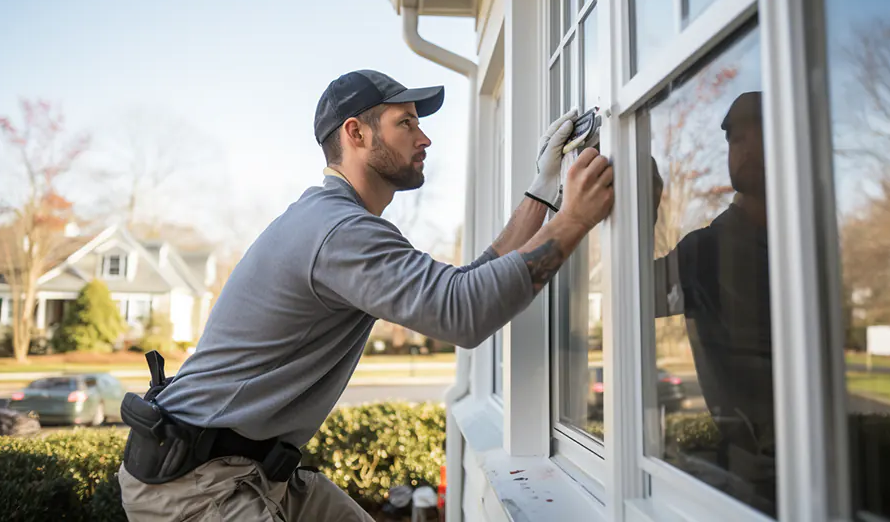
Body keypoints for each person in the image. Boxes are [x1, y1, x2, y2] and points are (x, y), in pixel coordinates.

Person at [116, 69, 614, 521]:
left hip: (245, 470)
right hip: (196, 490)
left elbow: (465, 286)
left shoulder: (336, 222)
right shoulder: (337, 230)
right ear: (356, 133)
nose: (425, 137)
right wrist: (574, 219)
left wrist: (544, 188)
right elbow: (465, 313)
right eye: (407, 123)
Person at [651, 91, 775, 514]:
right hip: (752, 476)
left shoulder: (803, 242)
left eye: (759, 134)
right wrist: (641, 210)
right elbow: (635, 297)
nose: (746, 148)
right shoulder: (707, 250)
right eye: (736, 139)